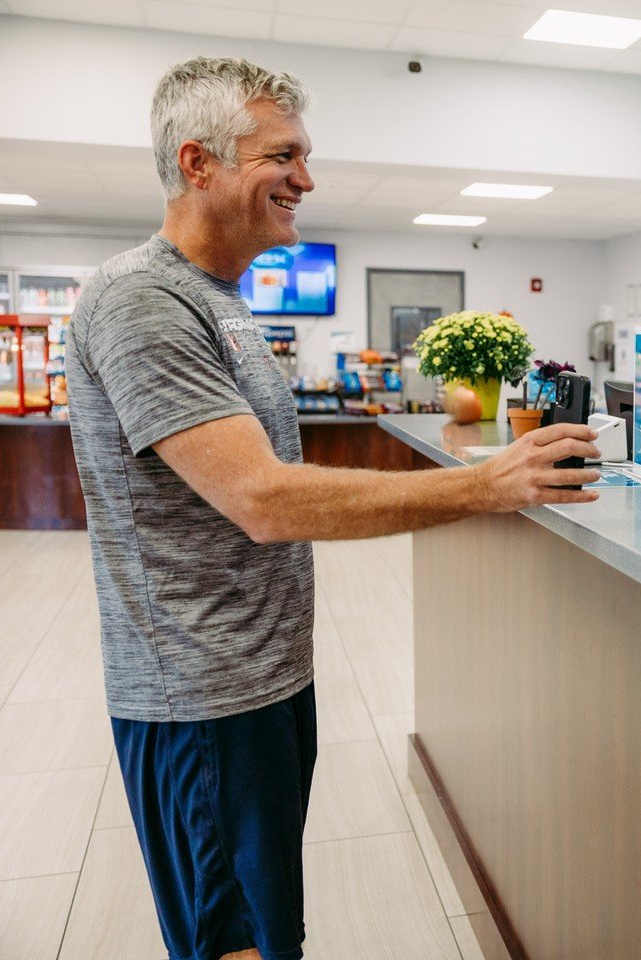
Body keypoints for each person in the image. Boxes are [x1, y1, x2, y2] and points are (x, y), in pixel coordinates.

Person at [65, 56, 600, 960]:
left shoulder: (220, 302)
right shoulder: (140, 300)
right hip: (203, 700)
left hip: (266, 678)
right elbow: (262, 499)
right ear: (198, 163)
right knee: (235, 939)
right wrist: (485, 483)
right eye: (284, 156)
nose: (307, 180)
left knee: (273, 928)